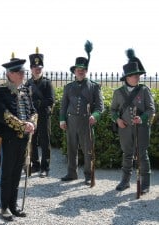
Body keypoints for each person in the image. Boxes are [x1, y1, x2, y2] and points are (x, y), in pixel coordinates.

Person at [0, 53, 37, 221]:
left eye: (23, 72)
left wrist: (32, 122)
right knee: (6, 173)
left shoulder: (25, 90)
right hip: (8, 139)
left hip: (24, 139)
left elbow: (33, 111)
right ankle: (3, 207)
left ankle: (13, 205)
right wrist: (23, 125)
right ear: (10, 74)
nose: (23, 75)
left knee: (18, 172)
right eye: (19, 72)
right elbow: (4, 115)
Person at [111, 49, 155, 194]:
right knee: (127, 154)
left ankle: (145, 183)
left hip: (141, 128)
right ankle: (125, 181)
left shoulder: (144, 90)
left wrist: (141, 118)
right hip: (125, 129)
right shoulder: (118, 93)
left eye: (137, 75)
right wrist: (117, 120)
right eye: (133, 75)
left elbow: (151, 109)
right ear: (127, 77)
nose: (137, 78)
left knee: (142, 154)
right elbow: (112, 111)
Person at [59, 40, 104, 185]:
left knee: (88, 151)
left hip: (86, 121)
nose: (80, 71)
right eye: (78, 69)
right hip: (71, 121)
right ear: (74, 71)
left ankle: (88, 175)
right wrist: (62, 119)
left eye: (83, 69)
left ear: (86, 71)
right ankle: (72, 173)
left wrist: (95, 116)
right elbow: (63, 105)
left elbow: (100, 107)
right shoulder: (68, 87)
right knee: (71, 149)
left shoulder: (94, 87)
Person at [25, 47, 55, 177]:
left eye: (40, 67)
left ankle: (45, 167)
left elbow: (51, 100)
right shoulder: (28, 83)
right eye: (35, 67)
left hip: (43, 116)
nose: (38, 69)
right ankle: (35, 165)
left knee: (44, 142)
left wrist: (37, 104)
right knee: (32, 140)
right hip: (32, 117)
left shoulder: (47, 83)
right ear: (31, 68)